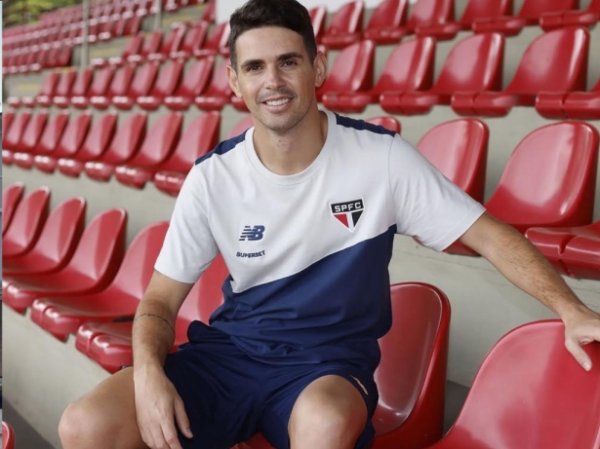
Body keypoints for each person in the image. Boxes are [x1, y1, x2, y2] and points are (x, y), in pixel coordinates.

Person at [58, 0, 600, 448]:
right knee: (86, 424)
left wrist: (571, 309)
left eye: (288, 62)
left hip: (327, 365)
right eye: (254, 67)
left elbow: (489, 234)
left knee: (323, 421)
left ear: (317, 69)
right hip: (230, 356)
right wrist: (149, 375)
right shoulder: (213, 176)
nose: (273, 81)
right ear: (234, 81)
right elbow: (158, 301)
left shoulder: (380, 158)